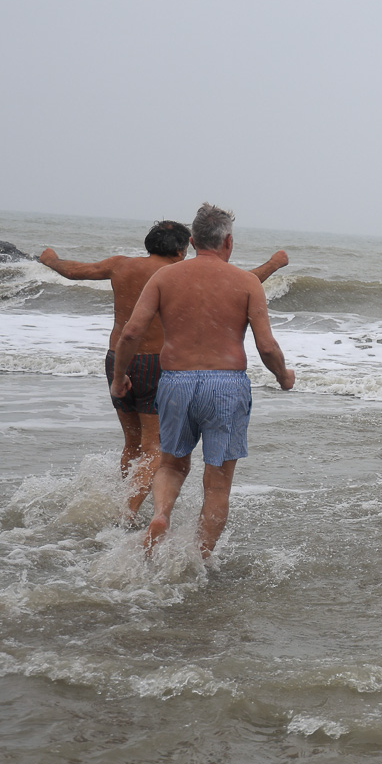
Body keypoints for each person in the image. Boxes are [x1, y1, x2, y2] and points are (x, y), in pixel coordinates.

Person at [39, 221, 287, 517]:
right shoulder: (175, 273)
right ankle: (128, 510)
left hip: (118, 359)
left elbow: (74, 271)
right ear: (182, 250)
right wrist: (273, 264)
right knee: (154, 447)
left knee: (132, 444)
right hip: (155, 365)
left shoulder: (119, 265)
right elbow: (239, 282)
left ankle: (124, 500)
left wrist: (51, 260)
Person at [109, 204, 294, 558]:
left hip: (175, 382)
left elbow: (131, 333)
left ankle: (161, 515)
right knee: (218, 482)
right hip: (225, 386)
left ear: (192, 242)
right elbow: (267, 346)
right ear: (229, 242)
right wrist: (284, 376)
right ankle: (201, 558)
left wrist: (119, 379)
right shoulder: (247, 282)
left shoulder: (164, 278)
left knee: (171, 464)